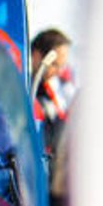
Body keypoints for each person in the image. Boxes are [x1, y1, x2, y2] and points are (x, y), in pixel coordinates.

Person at [30, 28, 76, 156]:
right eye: (54, 65)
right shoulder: (27, 89)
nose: (59, 72)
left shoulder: (52, 88)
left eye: (62, 66)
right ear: (36, 56)